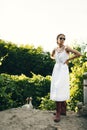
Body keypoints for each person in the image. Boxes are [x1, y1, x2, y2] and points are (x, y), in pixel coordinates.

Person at [50, 34, 82, 122]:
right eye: (61, 38)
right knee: (57, 88)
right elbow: (52, 56)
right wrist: (55, 59)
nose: (63, 39)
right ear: (57, 40)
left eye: (64, 38)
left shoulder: (66, 48)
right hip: (56, 70)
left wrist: (68, 59)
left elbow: (79, 54)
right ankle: (63, 111)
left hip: (63, 70)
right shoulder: (55, 49)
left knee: (60, 88)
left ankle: (58, 113)